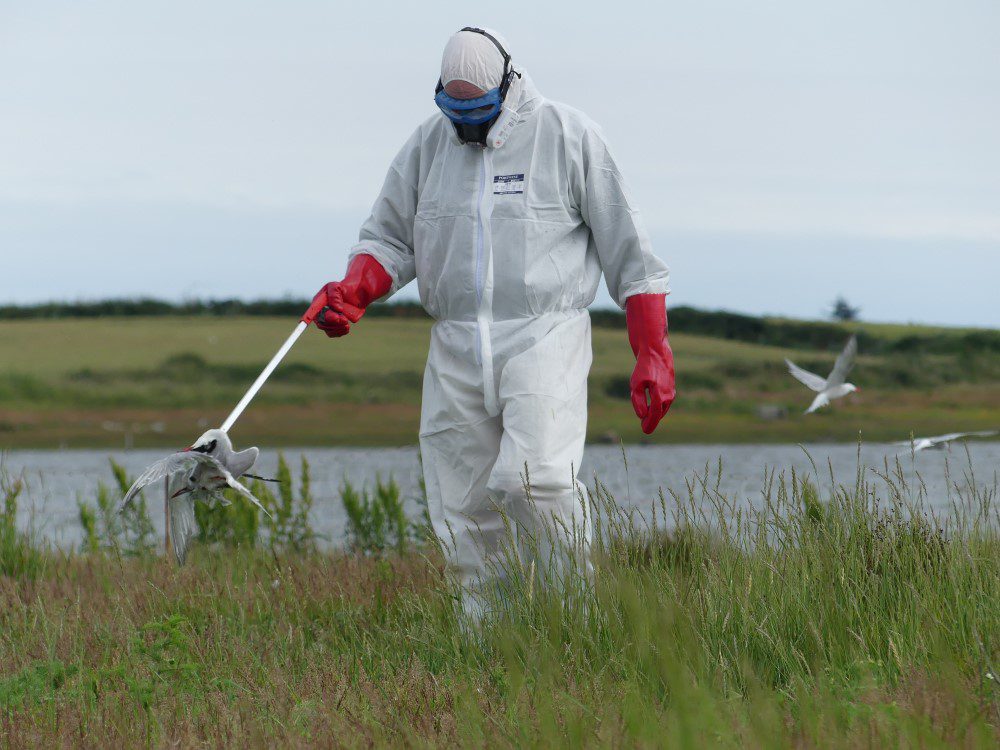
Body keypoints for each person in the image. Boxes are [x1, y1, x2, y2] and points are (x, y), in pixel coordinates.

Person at [313, 27, 675, 616]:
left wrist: (652, 350)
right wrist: (355, 289)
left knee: (536, 480)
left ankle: (573, 618)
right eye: (457, 114)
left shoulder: (567, 135)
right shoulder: (430, 145)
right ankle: (485, 635)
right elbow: (387, 238)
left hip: (543, 333)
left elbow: (630, 253)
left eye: (480, 114)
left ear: (508, 88)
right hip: (455, 343)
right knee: (462, 501)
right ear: (440, 100)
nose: (469, 129)